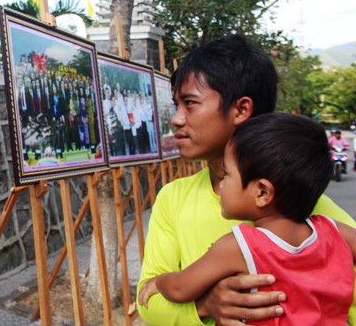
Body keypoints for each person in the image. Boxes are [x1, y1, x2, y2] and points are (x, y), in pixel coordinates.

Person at [136, 34, 356, 325]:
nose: (176, 119)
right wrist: (205, 306)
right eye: (177, 104)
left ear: (241, 109)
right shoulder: (173, 198)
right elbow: (147, 302)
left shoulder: (304, 206)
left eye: (189, 103)